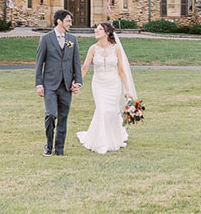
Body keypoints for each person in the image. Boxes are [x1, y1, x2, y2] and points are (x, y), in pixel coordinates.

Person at [76, 21, 137, 154]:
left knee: (112, 111)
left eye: (99, 29)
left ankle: (114, 137)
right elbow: (85, 68)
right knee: (102, 110)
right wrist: (76, 82)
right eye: (95, 29)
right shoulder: (93, 48)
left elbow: (121, 70)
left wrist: (128, 91)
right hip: (98, 84)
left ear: (107, 33)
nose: (95, 31)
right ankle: (101, 142)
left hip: (114, 84)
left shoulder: (116, 49)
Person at [35, 9, 82, 156]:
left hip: (66, 86)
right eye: (68, 20)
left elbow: (76, 62)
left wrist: (78, 82)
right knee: (50, 114)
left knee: (63, 117)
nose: (71, 23)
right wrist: (39, 84)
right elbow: (39, 63)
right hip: (50, 85)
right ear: (59, 21)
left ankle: (60, 148)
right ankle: (48, 145)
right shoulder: (46, 39)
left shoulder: (72, 40)